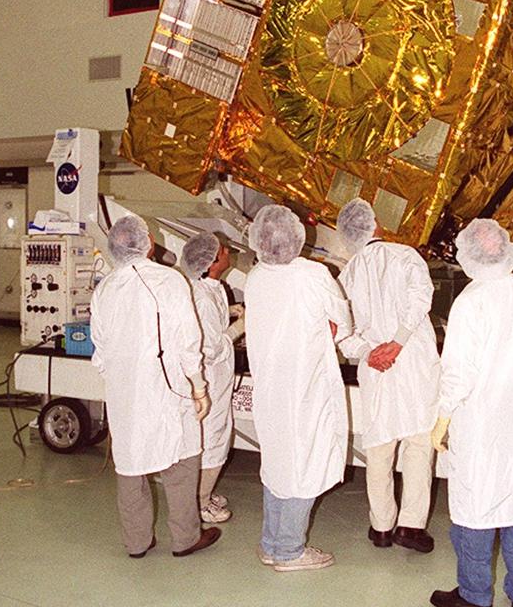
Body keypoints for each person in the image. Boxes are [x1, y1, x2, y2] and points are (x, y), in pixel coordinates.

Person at [429, 219, 513, 607]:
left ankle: (475, 594)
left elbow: (458, 371)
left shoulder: (471, 301)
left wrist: (443, 417)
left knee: (475, 505)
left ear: (468, 254)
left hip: (479, 421)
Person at [90, 215, 220, 560]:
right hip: (168, 387)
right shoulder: (170, 280)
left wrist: (120, 380)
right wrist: (198, 386)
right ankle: (185, 537)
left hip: (123, 392)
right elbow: (189, 340)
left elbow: (99, 348)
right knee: (181, 461)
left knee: (130, 468)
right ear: (146, 243)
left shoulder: (104, 289)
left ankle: (137, 542)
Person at [243, 204, 352, 572]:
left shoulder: (256, 276)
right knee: (305, 465)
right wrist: (330, 328)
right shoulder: (313, 274)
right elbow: (343, 321)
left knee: (277, 463)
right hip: (306, 388)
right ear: (298, 237)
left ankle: (271, 543)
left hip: (271, 387)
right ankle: (290, 550)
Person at [335, 198, 440, 553]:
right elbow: (421, 298)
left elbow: (340, 333)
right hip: (412, 362)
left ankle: (381, 526)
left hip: (376, 369)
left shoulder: (345, 277)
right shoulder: (405, 255)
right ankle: (411, 526)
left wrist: (370, 352)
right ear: (375, 224)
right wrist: (397, 343)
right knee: (418, 444)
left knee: (379, 448)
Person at [179, 230, 242, 524]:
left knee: (214, 435)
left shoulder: (211, 287)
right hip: (210, 377)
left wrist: (230, 311)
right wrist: (241, 327)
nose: (229, 252)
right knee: (214, 438)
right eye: (224, 250)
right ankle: (201, 503)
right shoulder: (202, 296)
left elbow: (211, 320)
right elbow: (213, 347)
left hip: (218, 376)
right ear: (212, 262)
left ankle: (202, 493)